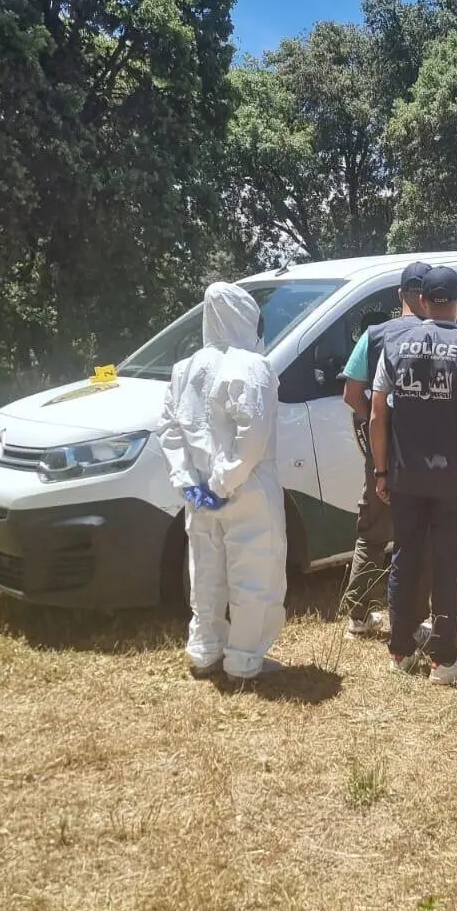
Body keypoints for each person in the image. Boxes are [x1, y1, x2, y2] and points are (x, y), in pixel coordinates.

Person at [370, 266, 457, 685]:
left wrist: (381, 471)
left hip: (406, 476)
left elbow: (377, 416)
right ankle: (443, 660)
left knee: (405, 558)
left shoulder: (393, 346)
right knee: (446, 564)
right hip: (454, 480)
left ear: (422, 301)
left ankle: (400, 649)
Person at [158, 282, 286, 680]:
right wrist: (223, 482)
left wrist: (190, 483)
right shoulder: (253, 366)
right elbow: (253, 435)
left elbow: (169, 430)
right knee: (255, 577)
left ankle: (205, 650)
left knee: (206, 575)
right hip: (247, 488)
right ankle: (244, 661)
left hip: (200, 493)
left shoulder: (184, 369)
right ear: (246, 318)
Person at [340, 262, 431, 639]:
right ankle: (414, 620)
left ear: (399, 295)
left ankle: (358, 617)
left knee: (373, 532)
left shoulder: (373, 336)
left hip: (383, 452)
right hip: (427, 453)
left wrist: (380, 422)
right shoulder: (442, 336)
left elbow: (351, 394)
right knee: (419, 536)